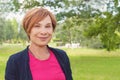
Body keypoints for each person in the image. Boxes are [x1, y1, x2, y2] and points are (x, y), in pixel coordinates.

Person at [5, 7, 73, 80]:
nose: (43, 32)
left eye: (47, 26)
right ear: (28, 30)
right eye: (37, 26)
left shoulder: (62, 56)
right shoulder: (15, 61)